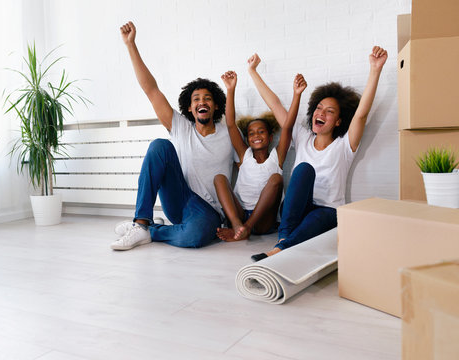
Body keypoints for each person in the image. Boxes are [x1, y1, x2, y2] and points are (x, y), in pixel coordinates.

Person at [249, 46, 388, 262]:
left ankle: (279, 249)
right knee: (304, 169)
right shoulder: (302, 137)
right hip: (296, 208)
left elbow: (361, 115)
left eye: (329, 112)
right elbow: (275, 104)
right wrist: (253, 72)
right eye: (319, 108)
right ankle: (284, 241)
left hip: (327, 211)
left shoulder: (344, 145)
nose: (321, 113)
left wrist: (375, 70)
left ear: (339, 121)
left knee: (318, 213)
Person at [111, 21, 234, 251]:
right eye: (196, 99)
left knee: (194, 238)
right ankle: (140, 223)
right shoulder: (180, 126)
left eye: (207, 98)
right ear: (189, 108)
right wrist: (131, 46)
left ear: (216, 106)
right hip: (180, 199)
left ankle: (150, 231)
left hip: (208, 211)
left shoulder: (229, 134)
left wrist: (240, 222)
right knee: (160, 146)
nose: (201, 102)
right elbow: (151, 90)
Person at [214, 70, 307, 241]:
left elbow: (287, 127)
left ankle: (245, 229)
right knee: (219, 178)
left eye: (261, 132)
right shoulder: (245, 154)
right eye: (251, 133)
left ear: (270, 137)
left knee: (276, 180)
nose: (256, 136)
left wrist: (297, 95)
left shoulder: (276, 157)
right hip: (240, 214)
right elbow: (230, 125)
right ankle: (236, 226)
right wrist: (230, 90)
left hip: (264, 220)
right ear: (247, 139)